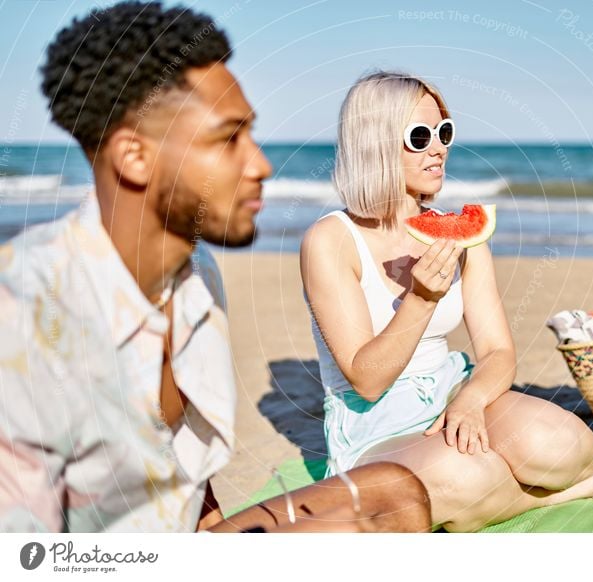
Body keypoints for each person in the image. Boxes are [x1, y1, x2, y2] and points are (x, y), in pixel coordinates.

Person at [0, 2, 430, 533]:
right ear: (134, 156)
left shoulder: (195, 269)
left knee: (399, 492)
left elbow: (173, 459)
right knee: (346, 533)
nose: (261, 165)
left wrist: (218, 528)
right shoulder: (26, 313)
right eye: (227, 139)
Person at [300, 70, 593, 533]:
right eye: (420, 136)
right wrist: (422, 300)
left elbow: (498, 352)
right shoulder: (331, 241)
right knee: (466, 475)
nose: (439, 147)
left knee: (555, 442)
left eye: (444, 131)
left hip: (450, 389)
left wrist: (470, 401)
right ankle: (562, 494)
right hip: (374, 425)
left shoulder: (463, 235)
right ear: (374, 144)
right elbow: (366, 380)